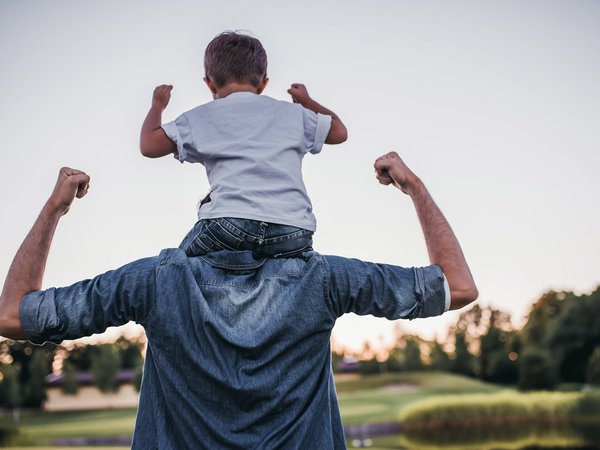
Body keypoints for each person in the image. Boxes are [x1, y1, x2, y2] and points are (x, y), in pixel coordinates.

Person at [0, 152, 478, 449]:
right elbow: (458, 287)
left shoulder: (154, 282)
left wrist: (54, 209)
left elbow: (12, 316)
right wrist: (415, 189)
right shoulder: (323, 280)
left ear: (207, 216)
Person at [140, 31, 348, 259]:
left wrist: (157, 105)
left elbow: (149, 145)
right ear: (263, 84)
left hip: (230, 224)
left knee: (177, 265)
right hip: (293, 229)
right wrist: (307, 102)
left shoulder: (202, 117)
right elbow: (339, 132)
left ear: (209, 83)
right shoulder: (293, 113)